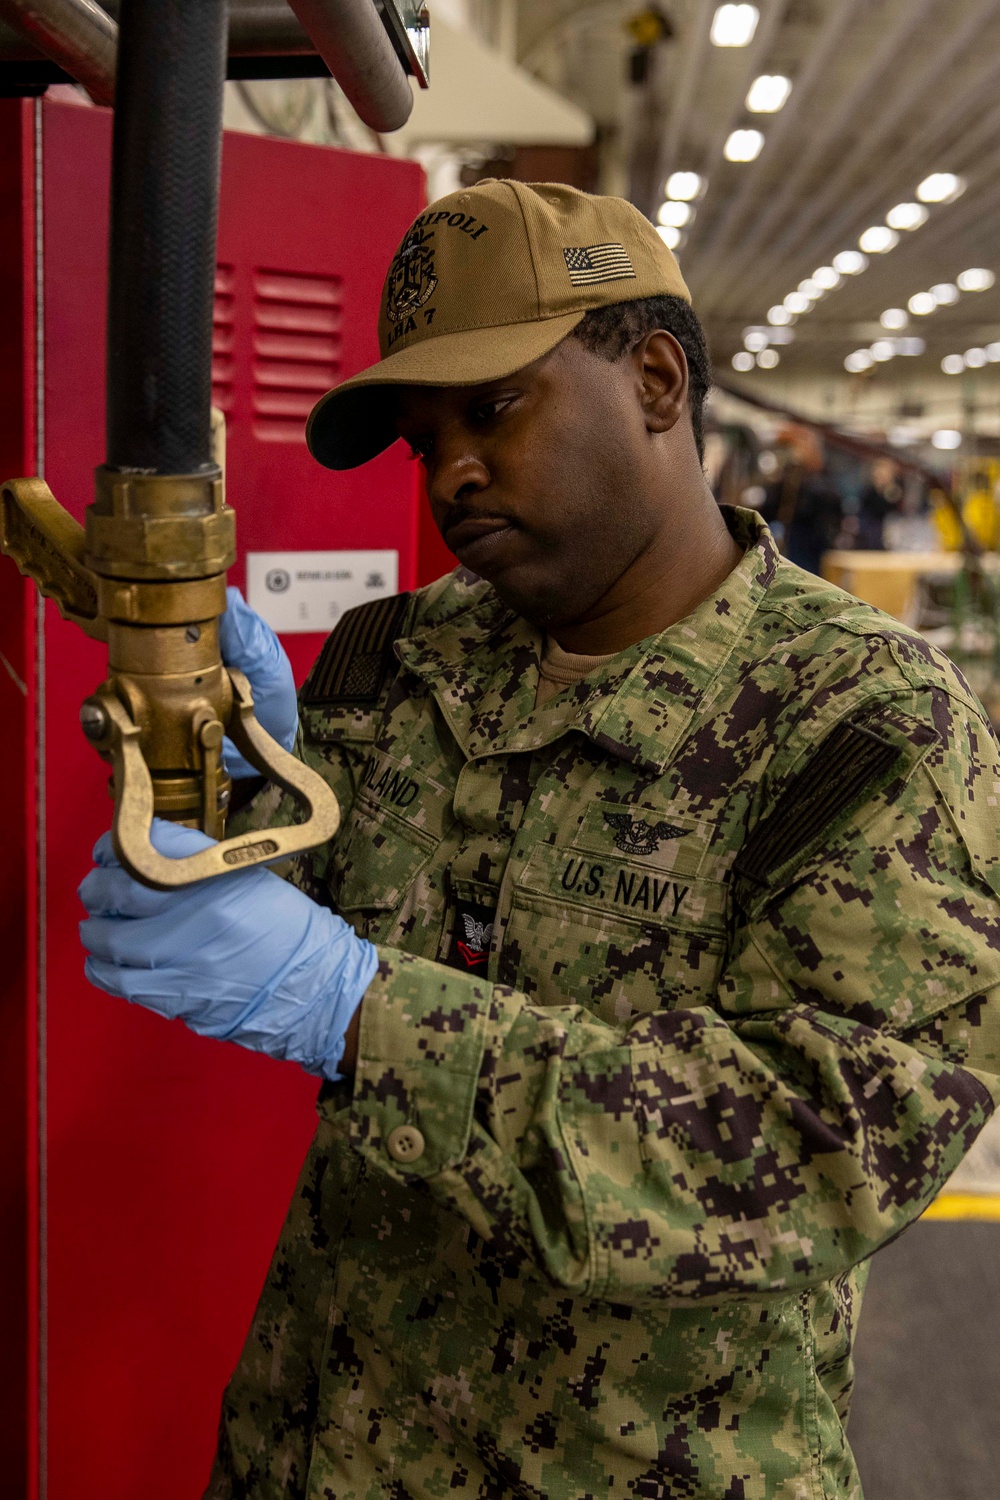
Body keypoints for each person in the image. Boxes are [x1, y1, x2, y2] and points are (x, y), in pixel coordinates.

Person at [78, 182, 1000, 1500]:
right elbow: (322, 915)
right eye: (423, 436)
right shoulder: (397, 655)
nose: (451, 469)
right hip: (320, 1440)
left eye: (495, 407)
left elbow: (815, 1153)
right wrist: (225, 814)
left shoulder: (862, 730)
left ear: (660, 382)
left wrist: (348, 1009)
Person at [856, 457, 902, 551]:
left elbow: (893, 507)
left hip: (891, 534)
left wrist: (886, 486)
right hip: (870, 535)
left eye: (883, 473)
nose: (880, 476)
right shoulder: (869, 492)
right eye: (878, 473)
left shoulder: (894, 490)